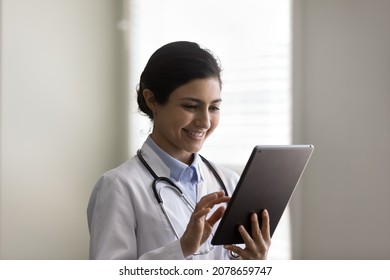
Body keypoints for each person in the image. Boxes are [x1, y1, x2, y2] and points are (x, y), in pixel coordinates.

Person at [87, 41, 271, 260]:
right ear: (152, 99)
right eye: (191, 106)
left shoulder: (230, 183)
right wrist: (181, 248)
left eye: (213, 108)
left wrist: (255, 265)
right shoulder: (118, 187)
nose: (204, 121)